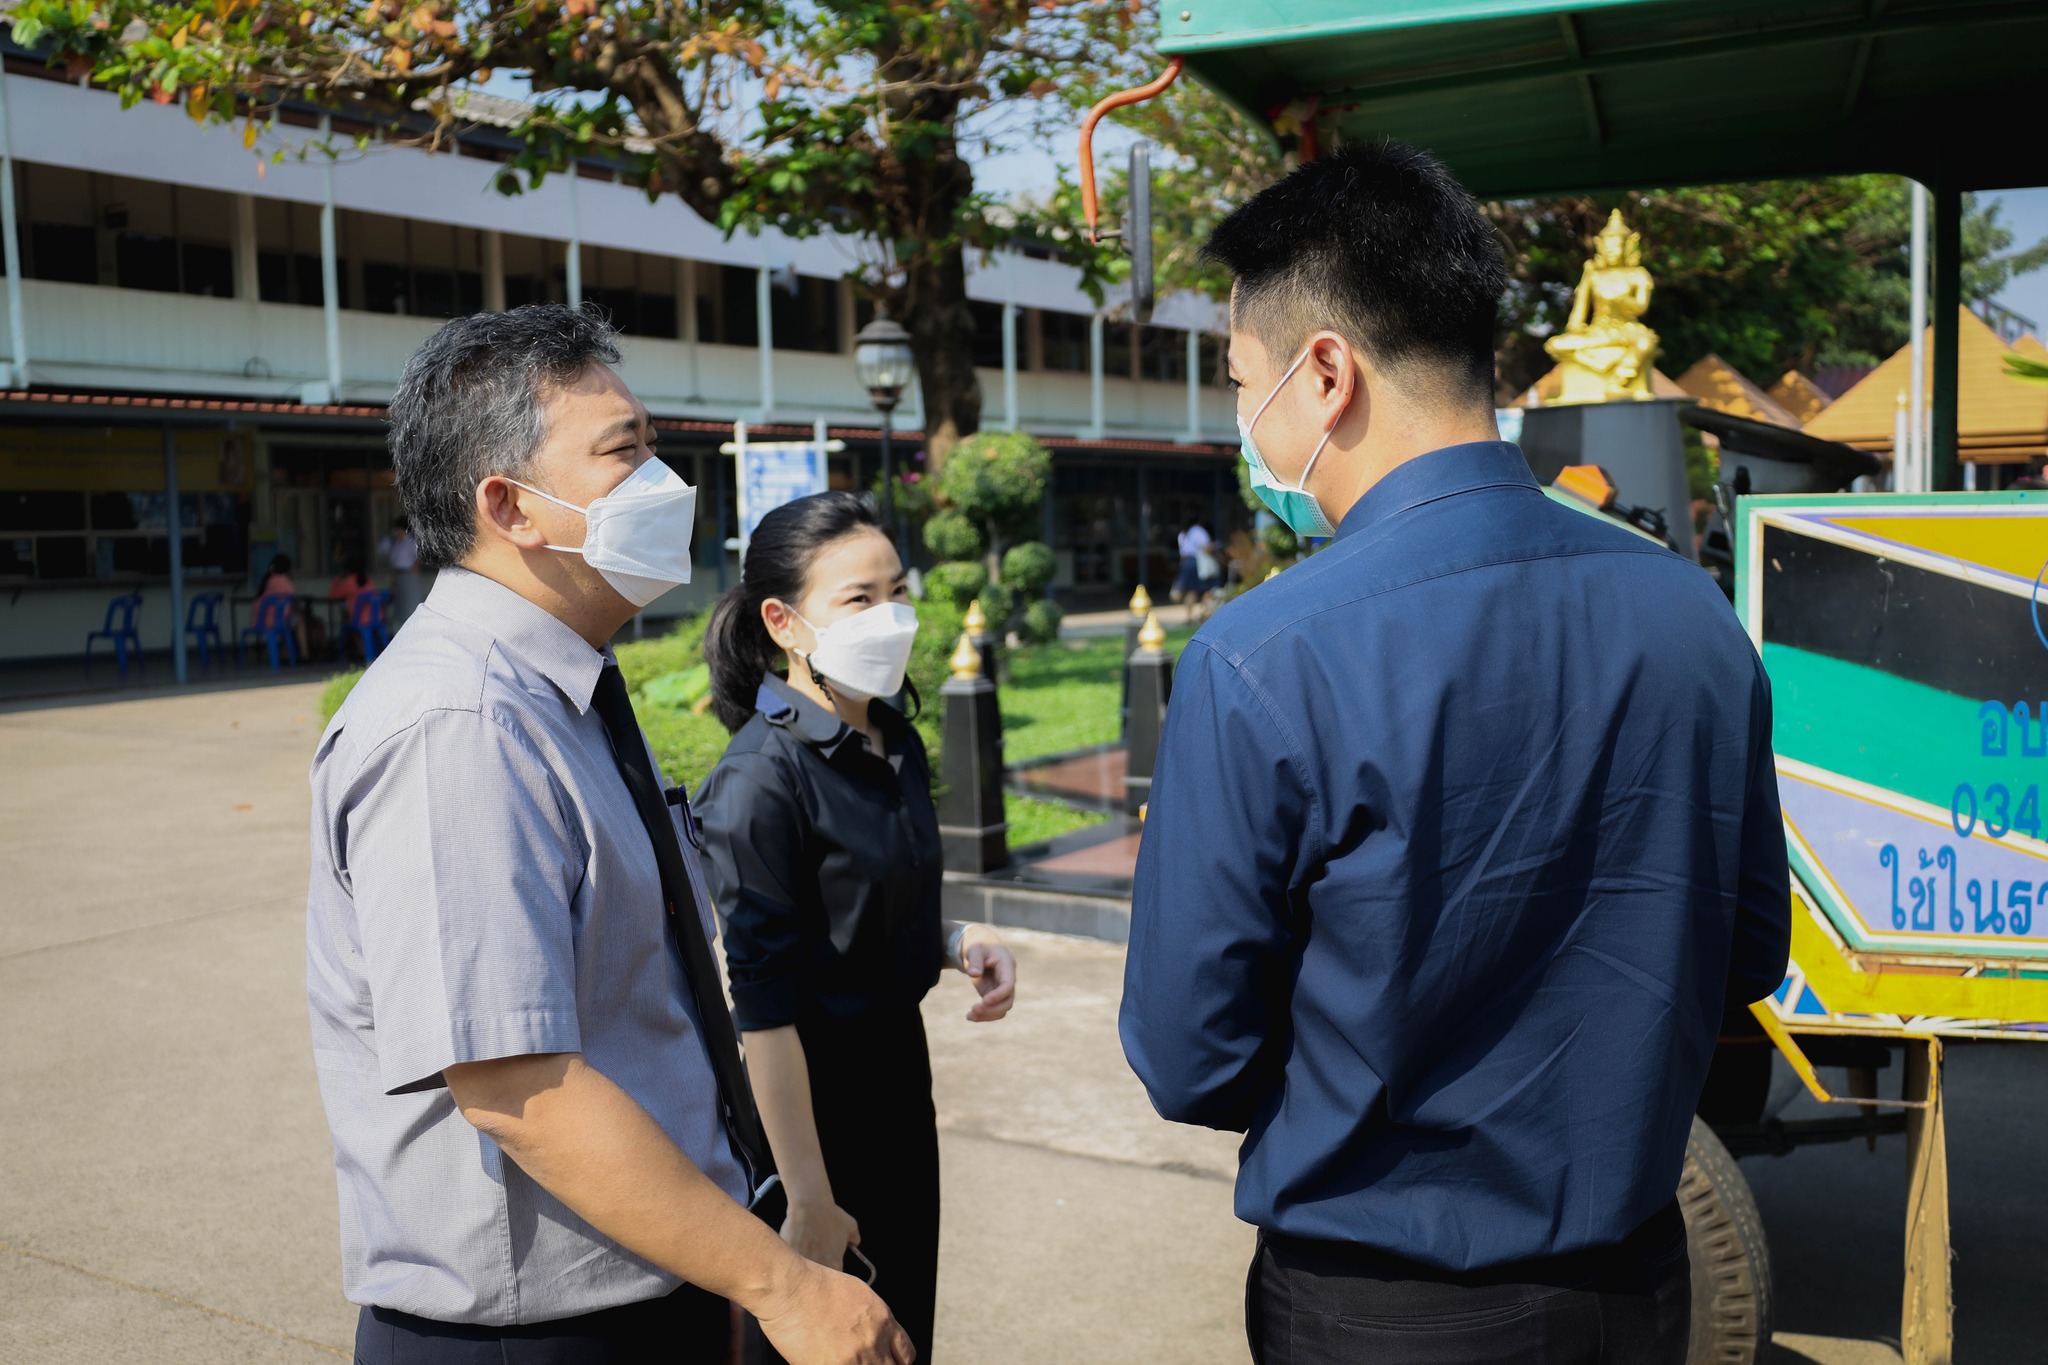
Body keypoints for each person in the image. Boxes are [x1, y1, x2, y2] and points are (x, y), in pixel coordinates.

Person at [1119, 142, 1791, 1365]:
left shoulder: (1264, 657)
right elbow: (1745, 946)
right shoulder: (1693, 614)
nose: (1239, 417)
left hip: (1383, 1303)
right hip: (1638, 1287)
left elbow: (1187, 1052)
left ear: (1324, 373)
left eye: (1237, 379)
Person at [307, 305, 913, 1365]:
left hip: (648, 1282)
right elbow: (513, 1084)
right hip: (534, 1333)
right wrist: (780, 1286)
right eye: (623, 452)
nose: (661, 483)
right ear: (510, 507)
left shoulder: (560, 689)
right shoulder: (462, 724)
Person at [694, 492, 1018, 1365]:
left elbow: (865, 896)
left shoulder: (892, 737)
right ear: (784, 622)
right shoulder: (761, 779)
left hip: (900, 1090)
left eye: (897, 590)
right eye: (859, 598)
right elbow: (763, 1012)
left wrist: (951, 945)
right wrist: (807, 1193)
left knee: (906, 1333)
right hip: (815, 1114)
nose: (892, 617)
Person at [256, 552, 309, 660]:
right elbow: (292, 600)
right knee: (298, 620)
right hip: (275, 620)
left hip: (260, 620)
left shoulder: (268, 580)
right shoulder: (283, 581)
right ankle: (305, 654)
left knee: (291, 622)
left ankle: (284, 653)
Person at [382, 514, 427, 624]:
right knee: (399, 609)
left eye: (397, 529)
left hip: (409, 576)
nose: (395, 532)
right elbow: (393, 563)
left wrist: (415, 568)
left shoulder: (411, 541)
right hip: (398, 576)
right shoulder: (396, 544)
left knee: (410, 607)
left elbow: (420, 556)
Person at [1172, 518, 1215, 605]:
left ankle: (1189, 615)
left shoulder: (1183, 533)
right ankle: (1205, 613)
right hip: (1198, 563)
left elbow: (1183, 552)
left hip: (1186, 562)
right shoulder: (1198, 531)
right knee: (1206, 589)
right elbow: (1205, 548)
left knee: (1191, 590)